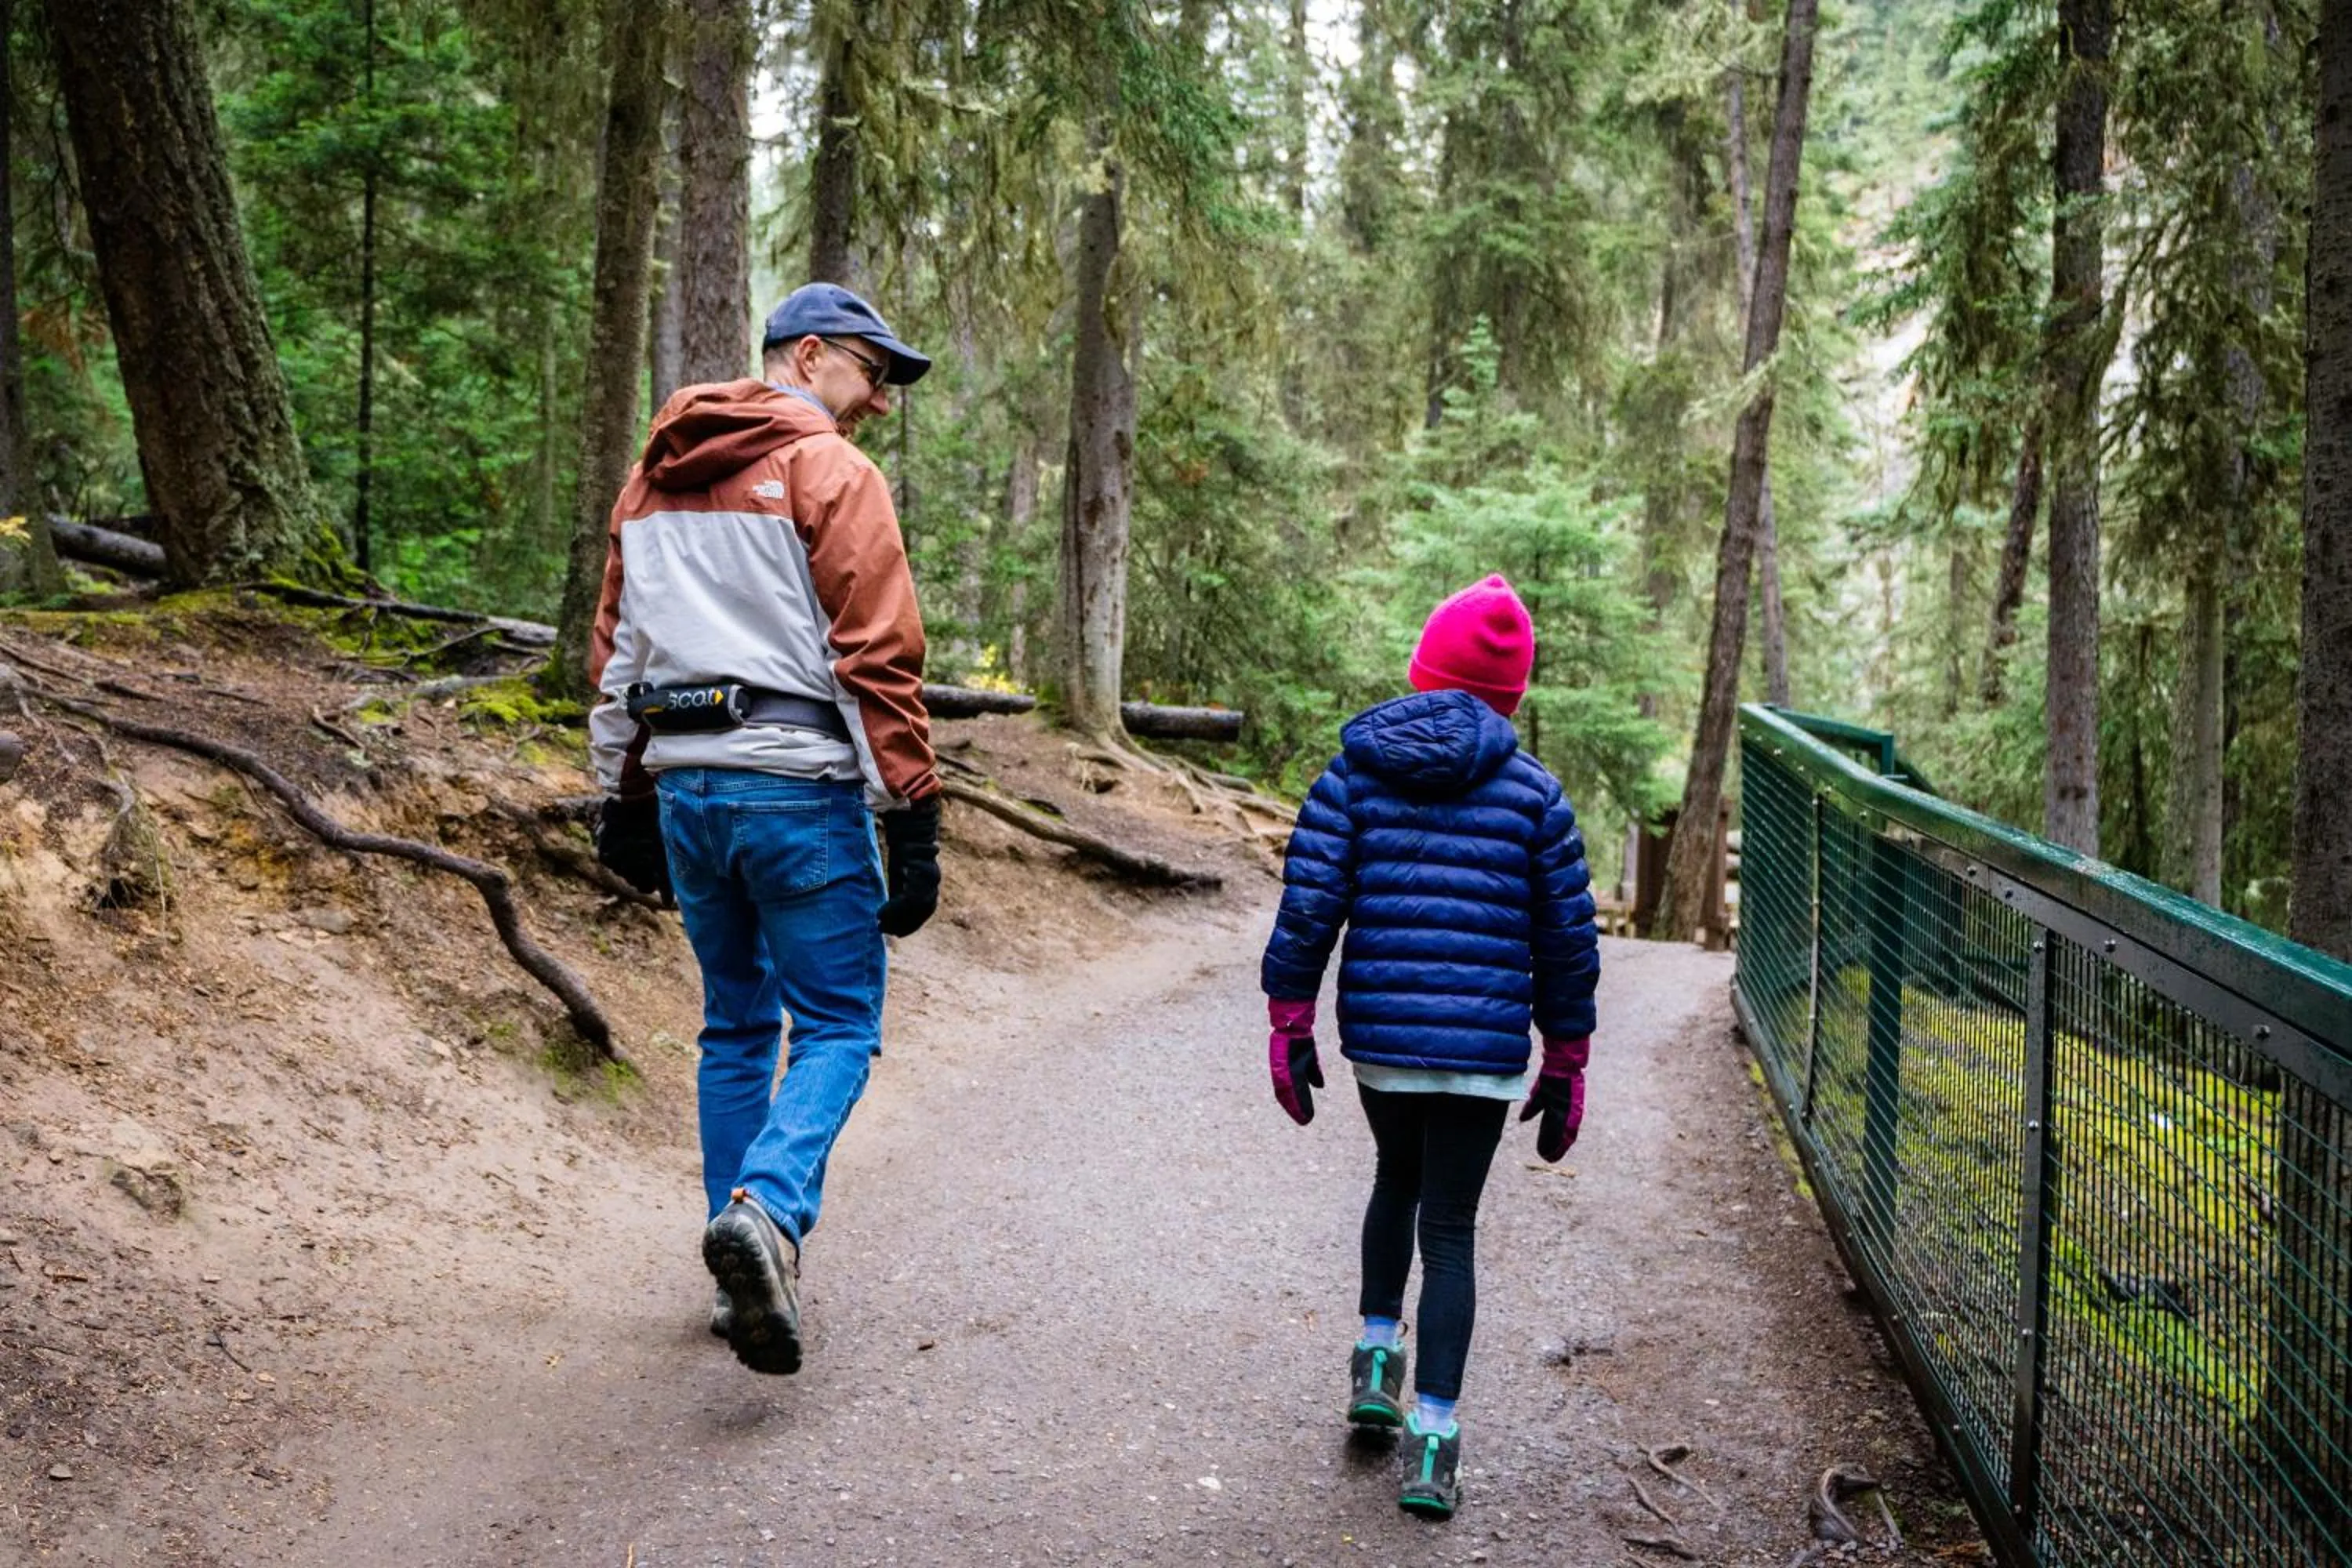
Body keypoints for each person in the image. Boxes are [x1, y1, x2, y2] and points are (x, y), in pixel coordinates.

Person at [587, 281, 943, 1377]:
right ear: (810, 354)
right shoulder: (831, 471)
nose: (880, 399)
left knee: (735, 1026)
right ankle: (767, 1212)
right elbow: (877, 655)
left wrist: (620, 796)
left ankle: (734, 1271)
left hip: (687, 789)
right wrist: (913, 814)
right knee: (837, 1024)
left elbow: (619, 652)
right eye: (872, 373)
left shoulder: (652, 479)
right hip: (798, 788)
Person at [1259, 575, 1599, 1519]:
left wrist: (1290, 1016)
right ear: (1511, 695)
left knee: (1393, 1179)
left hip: (1383, 1039)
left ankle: (1376, 1358)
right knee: (1449, 1227)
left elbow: (1310, 903)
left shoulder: (1354, 774)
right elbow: (1568, 938)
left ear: (1423, 671)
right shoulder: (1536, 795)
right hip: (1484, 1054)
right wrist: (1566, 1054)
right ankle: (1435, 1439)